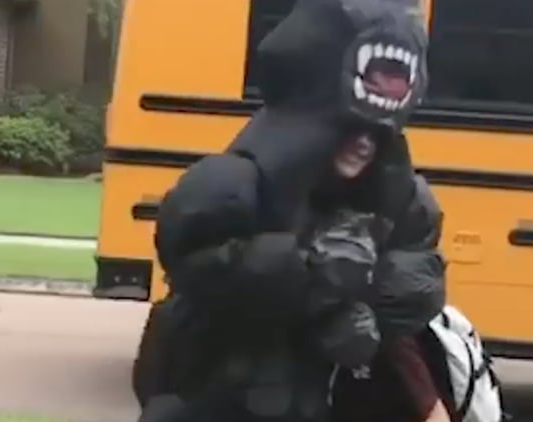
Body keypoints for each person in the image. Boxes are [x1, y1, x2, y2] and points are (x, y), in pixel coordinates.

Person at [131, 0, 448, 421]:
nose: (363, 144)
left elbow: (419, 278)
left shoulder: (398, 201)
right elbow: (198, 260)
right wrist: (310, 275)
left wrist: (365, 302)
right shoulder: (234, 184)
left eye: (376, 134)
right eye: (349, 129)